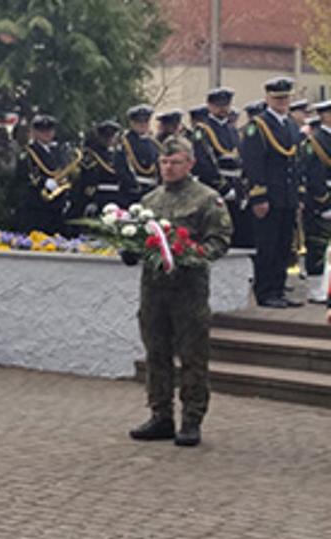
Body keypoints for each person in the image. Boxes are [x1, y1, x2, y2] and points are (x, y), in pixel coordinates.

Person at [123, 137, 231, 448]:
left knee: (193, 356)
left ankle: (192, 419)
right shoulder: (149, 201)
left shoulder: (207, 199)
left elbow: (219, 240)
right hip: (154, 290)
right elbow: (139, 238)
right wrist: (130, 251)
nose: (169, 168)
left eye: (176, 162)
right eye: (165, 163)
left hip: (188, 290)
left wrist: (190, 255)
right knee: (156, 353)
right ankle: (161, 415)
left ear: (190, 164)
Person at [242, 77, 303, 308]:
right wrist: (259, 195)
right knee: (267, 246)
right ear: (268, 98)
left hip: (287, 195)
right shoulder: (257, 126)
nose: (283, 102)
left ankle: (278, 289)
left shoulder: (290, 125)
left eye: (286, 98)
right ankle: (265, 292)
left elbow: (294, 163)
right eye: (278, 98)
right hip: (268, 195)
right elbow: (253, 163)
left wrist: (298, 195)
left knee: (283, 245)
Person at [192, 88, 252, 249]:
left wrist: (242, 186)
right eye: (218, 105)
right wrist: (222, 187)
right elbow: (204, 162)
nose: (222, 109)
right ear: (210, 106)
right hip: (214, 186)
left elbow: (240, 158)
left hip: (235, 183)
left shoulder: (232, 130)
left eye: (225, 105)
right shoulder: (203, 130)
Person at [16, 115, 76, 235]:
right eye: (42, 130)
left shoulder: (58, 151)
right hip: (37, 204)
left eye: (50, 130)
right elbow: (26, 174)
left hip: (57, 203)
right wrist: (44, 182)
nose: (47, 133)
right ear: (34, 132)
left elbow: (63, 168)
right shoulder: (29, 152)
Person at [79, 121, 137, 219]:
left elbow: (127, 177)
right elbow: (88, 181)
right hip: (99, 197)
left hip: (118, 197)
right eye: (106, 136)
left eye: (111, 136)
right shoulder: (92, 156)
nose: (109, 139)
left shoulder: (119, 155)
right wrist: (92, 200)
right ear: (100, 137)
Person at [303, 102, 331, 304]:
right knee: (318, 244)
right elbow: (314, 175)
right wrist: (324, 201)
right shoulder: (315, 141)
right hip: (320, 201)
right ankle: (315, 288)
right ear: (324, 117)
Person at [123, 106, 161, 204]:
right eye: (139, 122)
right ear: (132, 123)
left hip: (153, 191)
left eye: (146, 121)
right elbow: (121, 168)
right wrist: (132, 186)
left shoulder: (153, 143)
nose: (143, 124)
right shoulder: (125, 142)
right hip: (132, 192)